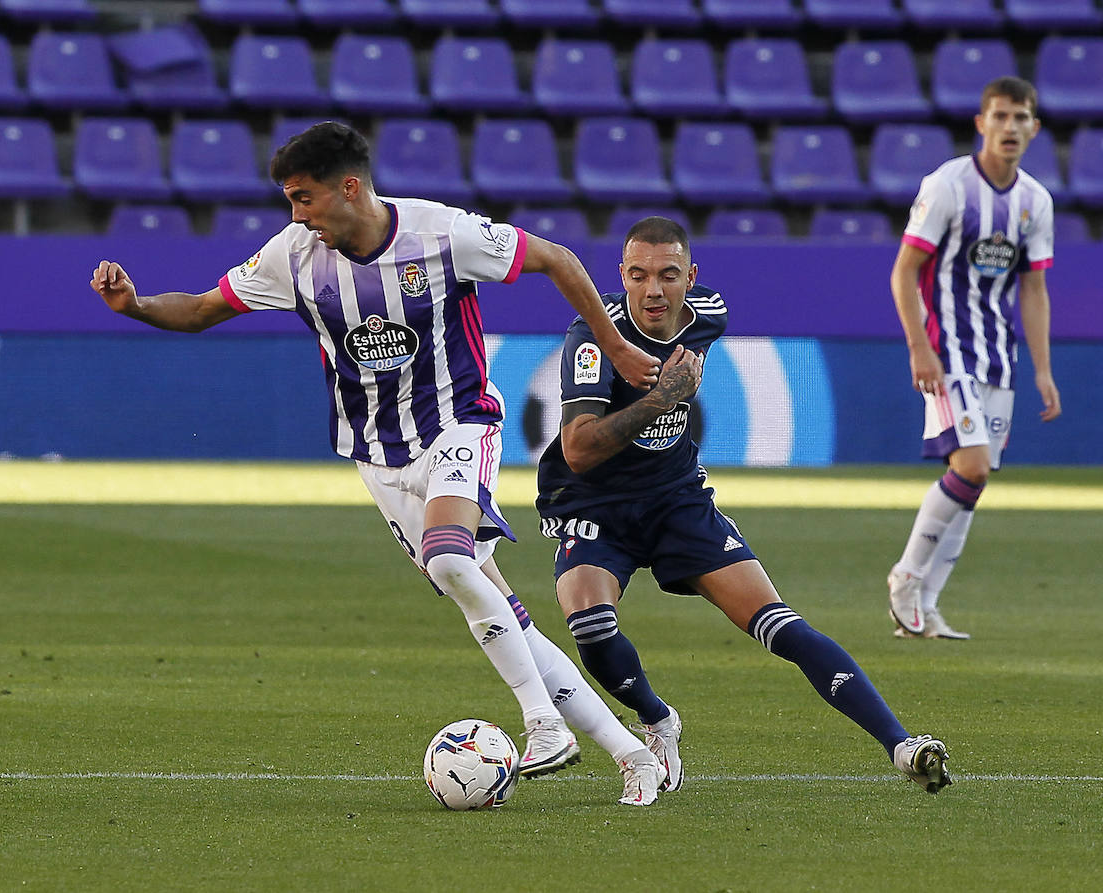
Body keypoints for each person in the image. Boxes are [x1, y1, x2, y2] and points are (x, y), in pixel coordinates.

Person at [90, 121, 673, 805]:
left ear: (349, 186)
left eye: (304, 198)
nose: (297, 214)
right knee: (493, 605)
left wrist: (617, 347)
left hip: (459, 426)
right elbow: (199, 309)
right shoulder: (293, 255)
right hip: (379, 458)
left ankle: (544, 724)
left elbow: (557, 259)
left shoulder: (441, 234)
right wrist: (134, 305)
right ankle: (633, 755)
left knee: (450, 561)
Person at [534, 215, 953, 795]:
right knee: (591, 627)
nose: (653, 290)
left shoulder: (709, 315)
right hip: (597, 505)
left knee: (780, 624)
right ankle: (657, 720)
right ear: (621, 275)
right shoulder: (591, 339)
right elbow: (578, 450)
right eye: (638, 275)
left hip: (677, 501)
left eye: (668, 275)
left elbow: (701, 324)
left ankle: (902, 746)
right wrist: (661, 400)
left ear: (692, 276)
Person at [886, 76, 1062, 640]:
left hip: (997, 357)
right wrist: (919, 347)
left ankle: (928, 606)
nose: (1010, 128)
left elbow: (1033, 289)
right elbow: (905, 270)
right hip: (948, 351)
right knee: (972, 466)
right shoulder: (948, 186)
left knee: (974, 481)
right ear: (981, 123)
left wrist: (1041, 368)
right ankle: (906, 580)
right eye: (1001, 116)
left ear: (1034, 128)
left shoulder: (1036, 202)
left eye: (1021, 118)